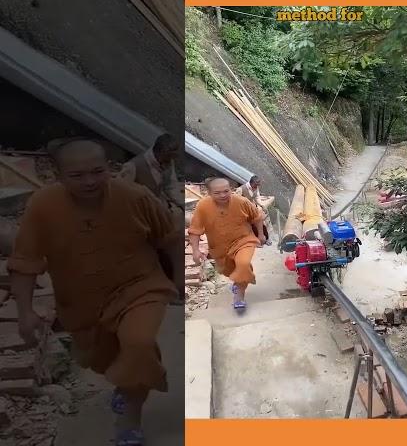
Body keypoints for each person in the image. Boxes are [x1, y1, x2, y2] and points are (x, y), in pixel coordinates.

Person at [8, 138, 180, 446]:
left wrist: (179, 280)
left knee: (138, 345)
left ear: (109, 169)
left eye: (97, 172)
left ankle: (129, 420)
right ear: (58, 175)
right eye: (77, 175)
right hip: (82, 303)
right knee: (106, 359)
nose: (89, 181)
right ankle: (126, 384)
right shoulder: (43, 207)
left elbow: (170, 238)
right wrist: (25, 312)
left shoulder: (134, 196)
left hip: (140, 287)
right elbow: (25, 262)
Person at [120, 133, 184, 302]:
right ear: (161, 151)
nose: (173, 159)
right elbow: (122, 195)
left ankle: (173, 286)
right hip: (140, 215)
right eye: (170, 155)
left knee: (172, 241)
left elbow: (171, 187)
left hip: (159, 211)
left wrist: (182, 204)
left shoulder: (167, 163)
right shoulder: (133, 166)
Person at [188, 177, 266, 310]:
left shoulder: (241, 201)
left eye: (226, 191)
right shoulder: (203, 206)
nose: (223, 195)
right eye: (217, 193)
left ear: (231, 189)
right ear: (209, 193)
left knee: (243, 264)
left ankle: (239, 296)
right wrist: (195, 250)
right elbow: (195, 230)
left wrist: (261, 234)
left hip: (244, 241)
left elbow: (257, 217)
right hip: (219, 248)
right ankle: (238, 282)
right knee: (229, 271)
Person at [238, 175, 273, 246]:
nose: (256, 187)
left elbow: (257, 198)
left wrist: (262, 206)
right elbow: (236, 202)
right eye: (255, 185)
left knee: (263, 218)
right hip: (243, 210)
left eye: (257, 186)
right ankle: (254, 239)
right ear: (251, 183)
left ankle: (266, 238)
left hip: (252, 208)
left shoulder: (256, 188)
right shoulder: (241, 189)